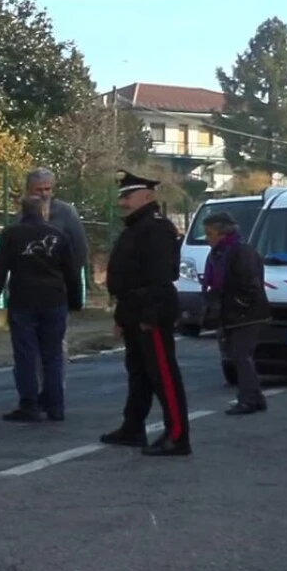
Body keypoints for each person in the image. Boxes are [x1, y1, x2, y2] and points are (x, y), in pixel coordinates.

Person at [101, 170, 192, 456]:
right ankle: (133, 427)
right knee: (138, 373)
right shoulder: (136, 227)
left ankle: (178, 436)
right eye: (122, 197)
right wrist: (121, 316)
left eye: (128, 196)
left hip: (151, 309)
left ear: (148, 196)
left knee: (163, 375)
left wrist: (150, 315)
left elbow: (161, 277)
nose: (123, 202)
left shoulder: (157, 228)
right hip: (133, 308)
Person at [0, 194, 83, 422]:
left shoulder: (11, 235)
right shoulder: (58, 236)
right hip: (54, 301)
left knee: (26, 355)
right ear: (44, 212)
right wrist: (75, 303)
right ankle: (56, 406)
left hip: (23, 302)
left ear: (22, 211)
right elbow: (72, 274)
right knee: (53, 355)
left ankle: (29, 405)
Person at [199, 208, 269, 416]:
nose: (207, 239)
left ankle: (248, 399)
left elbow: (250, 283)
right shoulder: (218, 253)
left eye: (210, 234)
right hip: (230, 312)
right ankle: (254, 398)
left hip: (245, 313)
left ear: (223, 233)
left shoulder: (241, 251)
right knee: (238, 355)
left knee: (241, 355)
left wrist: (240, 303)